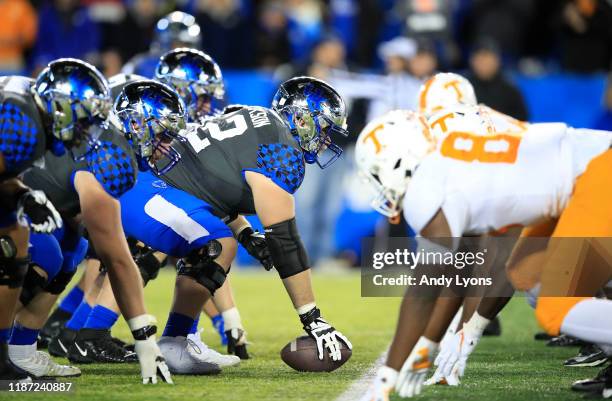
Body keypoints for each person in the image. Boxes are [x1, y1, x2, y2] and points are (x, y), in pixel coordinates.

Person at [355, 101, 612, 399]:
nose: (380, 186)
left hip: (596, 174)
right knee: (528, 272)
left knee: (556, 307)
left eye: (377, 175)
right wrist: (444, 339)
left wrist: (386, 379)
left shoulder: (427, 187)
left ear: (398, 161)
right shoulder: (456, 165)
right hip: (588, 168)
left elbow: (422, 293)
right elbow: (478, 268)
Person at [114, 76, 353, 366]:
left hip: (153, 185)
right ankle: (169, 341)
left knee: (215, 241)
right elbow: (285, 241)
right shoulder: (282, 150)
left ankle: (179, 341)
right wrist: (312, 318)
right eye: (325, 128)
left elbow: (208, 185)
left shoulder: (261, 121)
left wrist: (245, 233)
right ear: (302, 120)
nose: (326, 139)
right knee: (215, 244)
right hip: (145, 190)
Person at [4, 58, 172, 385]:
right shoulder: (106, 153)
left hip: (25, 192)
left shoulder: (94, 137)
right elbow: (118, 258)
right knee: (27, 249)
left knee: (70, 246)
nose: (167, 147)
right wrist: (144, 337)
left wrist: (22, 195)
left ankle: (20, 348)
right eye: (163, 137)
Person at [122, 11, 202, 78]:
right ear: (163, 43)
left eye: (186, 45)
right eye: (176, 44)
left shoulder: (200, 69)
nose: (181, 50)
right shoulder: (139, 65)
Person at [466, 38, 529, 121]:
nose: (484, 64)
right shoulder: (463, 88)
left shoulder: (510, 90)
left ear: (497, 61)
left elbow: (522, 121)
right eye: (480, 59)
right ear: (472, 61)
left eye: (488, 59)